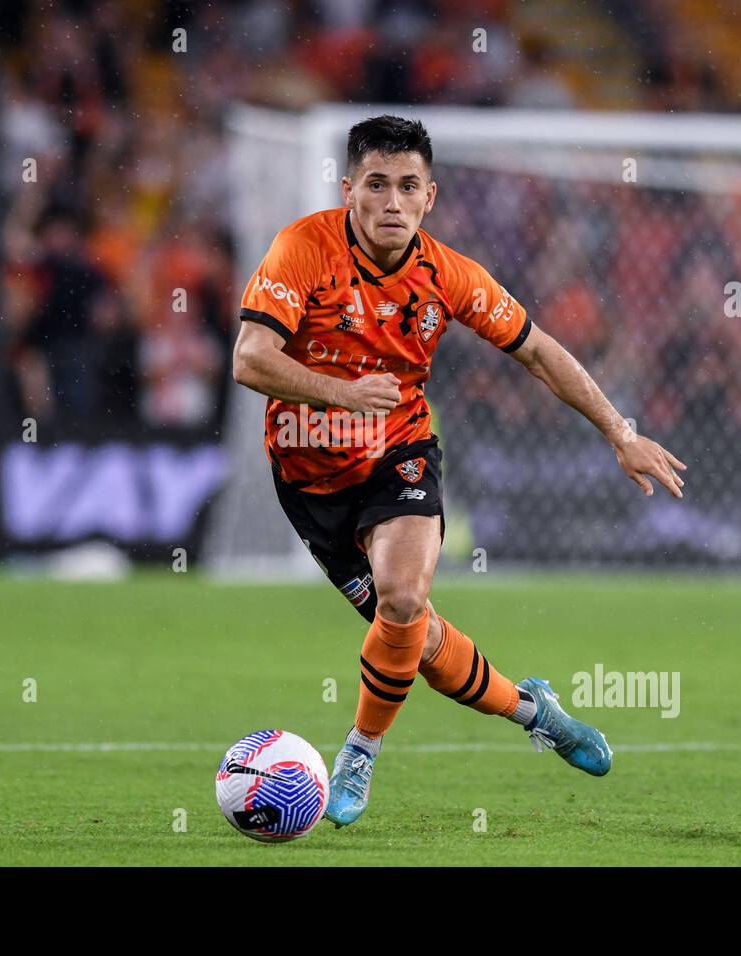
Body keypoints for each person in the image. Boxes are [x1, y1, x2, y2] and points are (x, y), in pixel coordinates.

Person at [231, 115, 687, 827]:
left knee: (404, 598)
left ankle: (360, 749)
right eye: (375, 185)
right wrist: (346, 392)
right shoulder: (303, 249)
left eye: (407, 186)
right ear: (347, 189)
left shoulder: (449, 276)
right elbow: (250, 358)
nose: (391, 201)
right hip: (309, 485)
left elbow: (538, 351)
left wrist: (619, 432)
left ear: (430, 196)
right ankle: (538, 712)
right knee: (420, 641)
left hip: (400, 456)